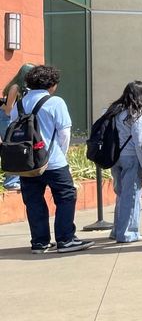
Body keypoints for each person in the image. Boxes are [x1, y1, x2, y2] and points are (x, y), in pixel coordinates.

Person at [9, 65, 92, 253]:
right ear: (51, 84)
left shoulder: (19, 104)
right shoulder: (55, 102)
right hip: (53, 161)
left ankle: (39, 242)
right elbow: (64, 134)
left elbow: (12, 128)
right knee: (66, 197)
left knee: (33, 201)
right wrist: (62, 155)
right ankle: (66, 239)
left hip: (27, 162)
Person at [107, 81, 142, 243]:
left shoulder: (115, 111)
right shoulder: (136, 115)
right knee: (131, 196)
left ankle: (117, 230)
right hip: (131, 158)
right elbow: (141, 144)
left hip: (115, 157)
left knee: (121, 195)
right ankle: (128, 232)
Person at [1, 62, 35, 191]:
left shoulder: (23, 88)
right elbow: (8, 109)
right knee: (12, 148)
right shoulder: (15, 87)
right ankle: (10, 181)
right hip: (7, 120)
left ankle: (14, 179)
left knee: (15, 148)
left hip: (12, 119)